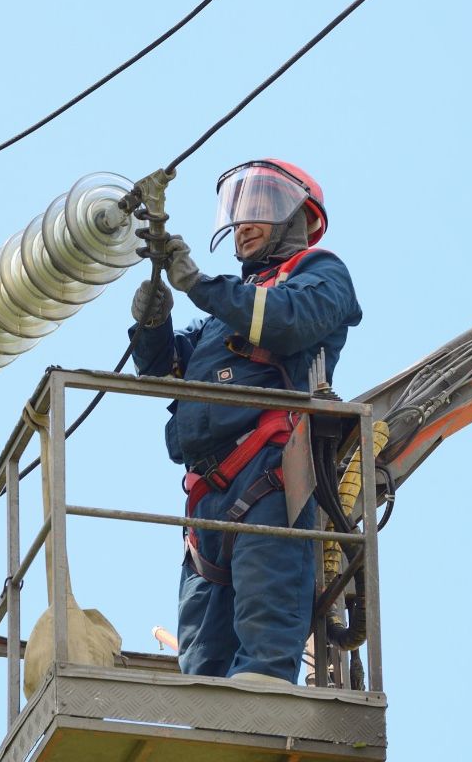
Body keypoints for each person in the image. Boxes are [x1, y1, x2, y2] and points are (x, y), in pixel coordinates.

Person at [128, 159, 362, 683]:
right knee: (202, 671)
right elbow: (164, 371)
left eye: (259, 209)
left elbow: (285, 322)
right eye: (237, 212)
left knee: (263, 652)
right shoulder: (222, 317)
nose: (243, 223)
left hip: (269, 478)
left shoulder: (318, 274)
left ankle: (263, 708)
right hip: (206, 495)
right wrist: (153, 322)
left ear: (297, 216)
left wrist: (200, 285)